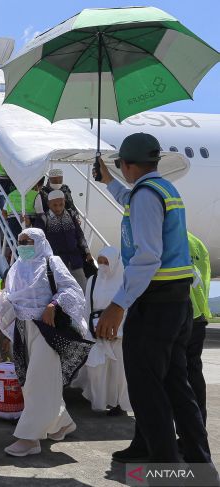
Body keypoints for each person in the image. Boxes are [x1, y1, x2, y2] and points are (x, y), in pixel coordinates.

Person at [95, 132, 213, 466]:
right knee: (177, 386)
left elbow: (147, 257)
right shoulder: (162, 189)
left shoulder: (146, 196)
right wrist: (108, 181)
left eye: (120, 166)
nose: (121, 170)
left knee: (147, 391)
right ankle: (199, 463)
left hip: (154, 303)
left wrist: (118, 305)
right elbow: (134, 201)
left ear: (129, 165)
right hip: (177, 304)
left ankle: (165, 469)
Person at [0, 228, 92, 457]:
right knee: (31, 381)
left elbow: (72, 290)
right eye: (20, 241)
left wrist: (54, 304)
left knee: (38, 381)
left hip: (47, 330)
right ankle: (62, 423)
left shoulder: (53, 262)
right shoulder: (16, 267)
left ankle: (30, 438)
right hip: (23, 328)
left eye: (28, 241)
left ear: (39, 241)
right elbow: (11, 295)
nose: (23, 245)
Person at [72, 246, 131, 415]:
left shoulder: (125, 281)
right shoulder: (93, 280)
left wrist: (117, 329)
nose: (104, 265)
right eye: (101, 261)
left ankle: (120, 405)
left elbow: (128, 307)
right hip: (97, 334)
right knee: (97, 370)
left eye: (107, 262)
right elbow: (87, 307)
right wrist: (89, 332)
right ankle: (100, 402)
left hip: (118, 336)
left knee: (119, 374)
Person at [32, 190, 92, 289]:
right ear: (48, 204)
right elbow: (38, 241)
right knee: (62, 290)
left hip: (75, 261)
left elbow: (79, 235)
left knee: (82, 289)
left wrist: (87, 252)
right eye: (54, 205)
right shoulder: (43, 218)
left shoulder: (71, 215)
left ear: (64, 201)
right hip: (57, 264)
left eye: (61, 204)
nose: (58, 208)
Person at [188, 232, 212, 424]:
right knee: (194, 374)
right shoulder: (198, 243)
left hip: (175, 315)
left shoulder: (166, 237)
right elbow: (205, 277)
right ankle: (197, 427)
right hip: (198, 316)